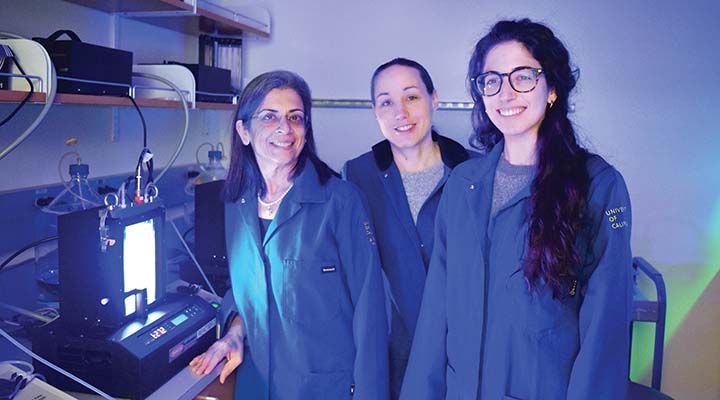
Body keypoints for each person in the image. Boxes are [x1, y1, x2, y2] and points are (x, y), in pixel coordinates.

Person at [400, 19, 632, 400]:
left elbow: (604, 331)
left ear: (552, 87)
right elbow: (436, 313)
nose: (505, 93)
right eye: (491, 80)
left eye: (522, 76)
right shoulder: (463, 184)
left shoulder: (597, 185)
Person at [189, 70, 389, 400]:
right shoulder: (237, 203)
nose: (285, 129)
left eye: (295, 117)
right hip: (257, 383)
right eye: (269, 117)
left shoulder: (340, 201)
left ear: (306, 130)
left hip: (323, 388)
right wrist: (234, 334)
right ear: (244, 130)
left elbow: (371, 315)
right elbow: (245, 290)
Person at [343, 58, 472, 398]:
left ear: (434, 99)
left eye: (412, 97)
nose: (400, 112)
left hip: (463, 349)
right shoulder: (358, 176)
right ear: (375, 112)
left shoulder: (475, 172)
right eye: (386, 102)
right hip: (395, 354)